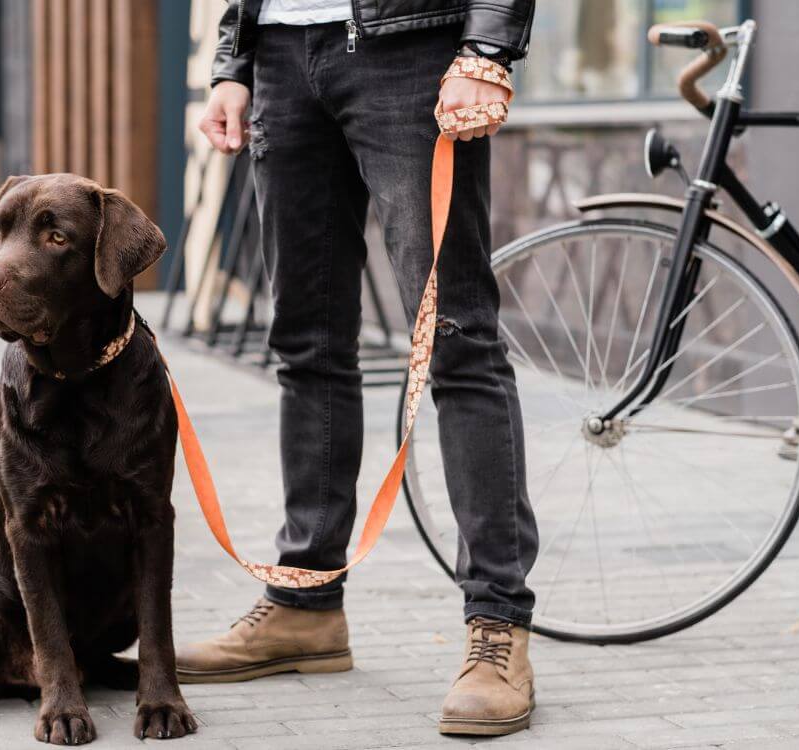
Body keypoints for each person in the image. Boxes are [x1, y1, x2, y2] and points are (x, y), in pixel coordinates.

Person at [176, 0, 539, 736]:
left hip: (410, 49)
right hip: (279, 54)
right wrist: (233, 62)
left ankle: (498, 625)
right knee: (305, 345)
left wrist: (487, 46)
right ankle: (305, 605)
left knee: (456, 339)